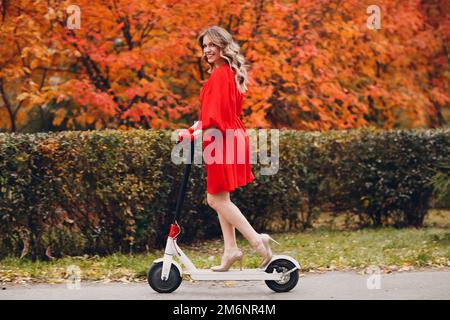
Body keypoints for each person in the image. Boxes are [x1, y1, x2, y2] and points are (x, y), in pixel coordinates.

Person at [177, 26, 278, 272]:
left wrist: (192, 133)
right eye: (204, 46)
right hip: (226, 137)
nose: (207, 50)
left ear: (224, 46)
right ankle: (231, 249)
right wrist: (194, 130)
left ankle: (257, 241)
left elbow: (216, 120)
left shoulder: (222, 74)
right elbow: (215, 115)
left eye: (212, 45)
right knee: (222, 198)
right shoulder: (224, 73)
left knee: (214, 199)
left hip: (223, 140)